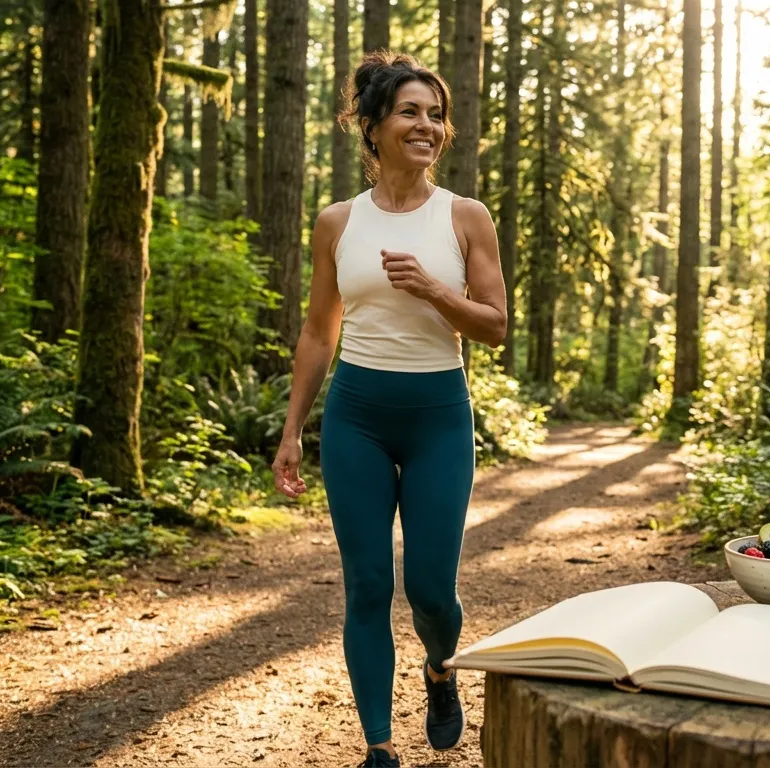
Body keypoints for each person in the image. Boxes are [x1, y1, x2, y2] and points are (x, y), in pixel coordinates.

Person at [269, 50, 507, 768]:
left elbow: (495, 325)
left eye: (436, 115)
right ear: (372, 127)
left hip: (438, 417)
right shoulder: (337, 222)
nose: (427, 125)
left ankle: (440, 669)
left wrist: (434, 289)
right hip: (357, 418)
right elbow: (319, 331)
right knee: (368, 584)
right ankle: (378, 746)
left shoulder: (465, 216)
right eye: (410, 112)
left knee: (430, 589)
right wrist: (292, 429)